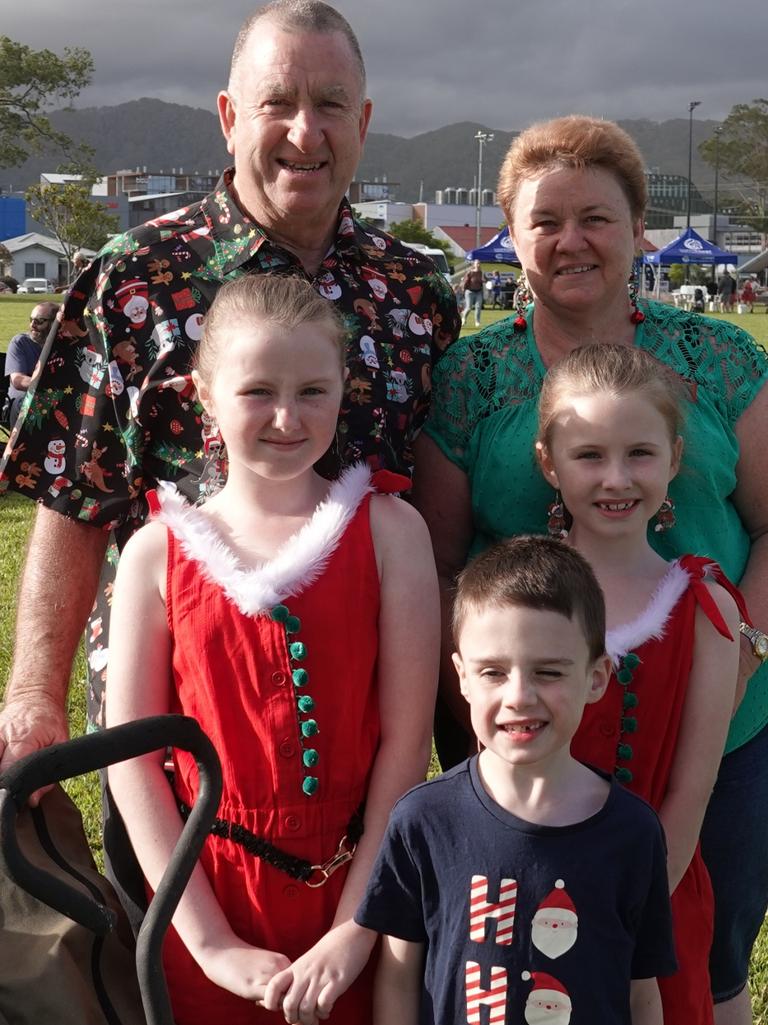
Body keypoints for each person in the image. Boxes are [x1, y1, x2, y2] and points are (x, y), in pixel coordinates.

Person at [0, 0, 458, 932]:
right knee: (181, 967)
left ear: (365, 124)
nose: (305, 131)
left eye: (332, 104)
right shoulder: (133, 278)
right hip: (175, 745)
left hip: (361, 729)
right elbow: (73, 495)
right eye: (277, 102)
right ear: (227, 116)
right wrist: (32, 697)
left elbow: (439, 502)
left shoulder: (415, 292)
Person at [412, 115, 768, 1025]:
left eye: (598, 218)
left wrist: (735, 659)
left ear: (640, 228)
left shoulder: (721, 359)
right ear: (512, 237)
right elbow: (443, 563)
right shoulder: (470, 375)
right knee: (531, 960)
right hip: (526, 730)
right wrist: (484, 710)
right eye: (546, 221)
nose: (572, 241)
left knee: (701, 955)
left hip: (716, 724)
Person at [106, 274, 440, 1025]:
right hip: (204, 895)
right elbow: (132, 761)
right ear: (204, 394)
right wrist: (210, 941)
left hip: (363, 891)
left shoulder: (390, 531)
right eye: (257, 390)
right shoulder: (156, 551)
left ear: (344, 390)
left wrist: (357, 928)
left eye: (313, 391)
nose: (287, 417)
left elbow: (404, 745)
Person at [356, 535, 677, 1025]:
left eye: (548, 672)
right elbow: (399, 977)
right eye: (493, 672)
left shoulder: (633, 833)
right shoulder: (423, 820)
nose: (519, 697)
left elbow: (642, 993)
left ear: (596, 677)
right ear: (461, 676)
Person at [536, 343, 744, 1025]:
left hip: (657, 897)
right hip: (529, 890)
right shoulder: (519, 592)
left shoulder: (705, 606)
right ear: (549, 463)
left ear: (676, 459)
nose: (615, 478)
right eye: (589, 455)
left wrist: (631, 913)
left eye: (640, 454)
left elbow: (692, 788)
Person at [3, 302, 58, 425]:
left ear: (55, 324)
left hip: (55, 401)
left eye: (39, 321)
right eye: (31, 320)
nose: (32, 325)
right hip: (21, 403)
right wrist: (52, 387)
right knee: (31, 402)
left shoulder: (64, 346)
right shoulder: (20, 343)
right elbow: (18, 380)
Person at [461, 259, 484, 328]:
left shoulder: (481, 272)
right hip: (469, 292)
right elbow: (465, 281)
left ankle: (477, 321)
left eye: (479, 263)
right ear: (474, 265)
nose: (478, 265)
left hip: (478, 292)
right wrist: (463, 289)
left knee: (478, 307)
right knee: (469, 307)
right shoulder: (470, 272)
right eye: (477, 263)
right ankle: (464, 317)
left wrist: (485, 281)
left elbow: (485, 280)